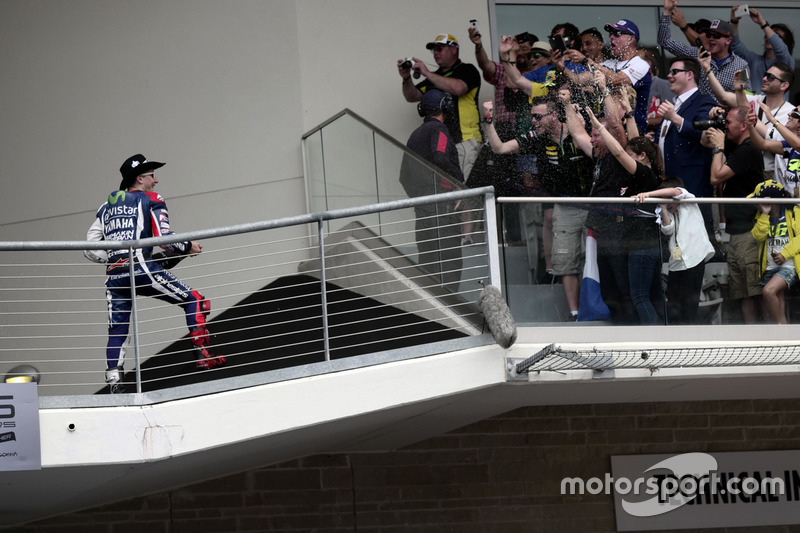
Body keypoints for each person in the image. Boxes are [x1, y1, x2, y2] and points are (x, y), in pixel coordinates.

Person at [84, 154, 226, 393]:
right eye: (152, 175)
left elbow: (89, 248)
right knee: (196, 300)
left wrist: (112, 258)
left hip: (114, 276)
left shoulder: (105, 207)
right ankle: (204, 357)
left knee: (117, 329)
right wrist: (187, 245)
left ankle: (114, 384)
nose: (156, 180)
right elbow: (164, 239)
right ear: (140, 178)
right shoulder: (151, 199)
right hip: (141, 268)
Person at [483, 95, 592, 320]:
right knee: (566, 261)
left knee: (592, 258)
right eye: (532, 116)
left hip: (595, 204)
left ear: (554, 115)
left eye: (538, 116)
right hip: (564, 206)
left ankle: (595, 307)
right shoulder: (536, 137)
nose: (533, 121)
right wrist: (488, 120)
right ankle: (574, 313)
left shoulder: (576, 129)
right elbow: (500, 148)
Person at [586, 108, 665, 324]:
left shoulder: (646, 175)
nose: (624, 159)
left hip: (643, 244)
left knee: (639, 297)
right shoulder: (639, 176)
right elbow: (634, 143)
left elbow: (620, 153)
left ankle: (654, 338)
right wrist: (630, 114)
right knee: (645, 295)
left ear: (642, 157)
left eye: (632, 156)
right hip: (634, 244)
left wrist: (598, 124)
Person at [703, 106, 765, 322]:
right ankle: (751, 337)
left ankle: (766, 339)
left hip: (750, 231)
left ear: (744, 125)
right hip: (736, 230)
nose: (725, 126)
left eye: (728, 123)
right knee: (742, 293)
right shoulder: (735, 144)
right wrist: (713, 122)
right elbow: (704, 141)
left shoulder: (748, 150)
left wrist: (719, 149)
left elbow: (716, 177)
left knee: (754, 291)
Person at [399, 89, 465, 289]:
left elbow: (403, 177)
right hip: (443, 211)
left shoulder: (414, 136)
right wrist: (458, 185)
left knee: (428, 269)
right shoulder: (439, 130)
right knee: (450, 264)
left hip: (423, 213)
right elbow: (440, 157)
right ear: (445, 107)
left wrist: (422, 198)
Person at [398, 33, 482, 180]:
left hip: (465, 141)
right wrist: (406, 78)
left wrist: (426, 73)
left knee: (464, 191)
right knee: (448, 193)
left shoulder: (467, 70)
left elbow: (458, 88)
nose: (436, 53)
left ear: (454, 49)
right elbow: (411, 96)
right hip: (440, 144)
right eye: (434, 50)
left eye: (440, 48)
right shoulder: (434, 76)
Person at [634, 177, 716, 324]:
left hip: (694, 257)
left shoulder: (688, 201)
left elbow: (674, 190)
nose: (665, 202)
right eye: (662, 200)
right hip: (677, 263)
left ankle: (688, 338)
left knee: (689, 304)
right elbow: (667, 229)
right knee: (673, 305)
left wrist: (647, 194)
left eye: (667, 199)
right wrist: (664, 209)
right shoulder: (667, 211)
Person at [654, 56, 717, 234]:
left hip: (692, 183)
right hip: (669, 182)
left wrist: (674, 118)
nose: (669, 76)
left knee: (695, 237)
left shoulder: (704, 102)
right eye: (669, 72)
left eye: (674, 72)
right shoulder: (675, 104)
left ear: (689, 74)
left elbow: (704, 135)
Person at [659, 0, 751, 100]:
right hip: (699, 113)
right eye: (709, 34)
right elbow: (665, 41)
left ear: (728, 41)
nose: (711, 38)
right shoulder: (698, 54)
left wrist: (730, 103)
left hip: (725, 114)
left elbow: (748, 94)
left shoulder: (741, 65)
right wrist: (667, 11)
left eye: (716, 35)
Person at [749, 180, 800, 324]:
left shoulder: (794, 212)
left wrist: (785, 254)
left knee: (768, 291)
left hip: (789, 264)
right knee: (775, 301)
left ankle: (782, 330)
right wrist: (765, 214)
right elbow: (758, 236)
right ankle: (780, 336)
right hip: (770, 265)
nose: (757, 205)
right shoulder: (761, 215)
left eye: (759, 201)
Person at [592, 18, 652, 136]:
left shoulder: (640, 64)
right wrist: (562, 66)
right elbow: (578, 79)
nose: (611, 37)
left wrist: (585, 61)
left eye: (617, 34)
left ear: (631, 39)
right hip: (607, 131)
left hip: (632, 133)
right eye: (611, 34)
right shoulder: (607, 64)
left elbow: (614, 80)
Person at [729, 5, 795, 97]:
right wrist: (734, 21)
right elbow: (735, 46)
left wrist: (763, 24)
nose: (769, 36)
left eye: (778, 36)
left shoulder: (787, 62)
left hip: (776, 110)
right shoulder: (754, 60)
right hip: (754, 109)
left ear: (785, 43)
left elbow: (780, 49)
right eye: (770, 33)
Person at [747, 101, 800, 198]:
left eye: (795, 113)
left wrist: (772, 119)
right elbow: (763, 144)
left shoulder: (796, 145)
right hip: (791, 206)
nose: (789, 114)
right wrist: (750, 127)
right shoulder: (789, 145)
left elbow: (798, 145)